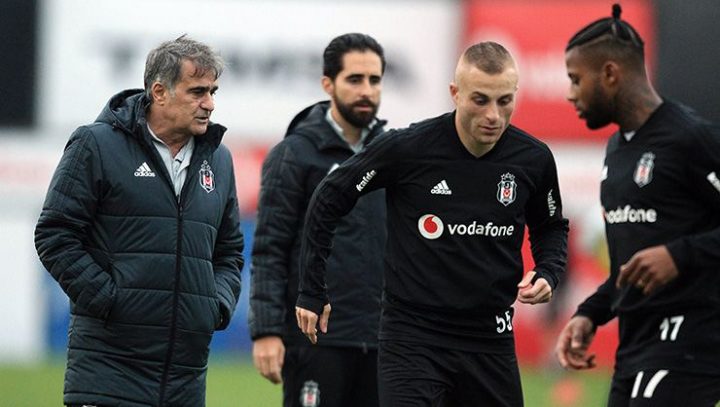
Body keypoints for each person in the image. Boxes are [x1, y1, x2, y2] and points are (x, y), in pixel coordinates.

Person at [296, 41, 569, 407]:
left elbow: (550, 226)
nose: (493, 115)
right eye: (480, 100)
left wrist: (548, 271)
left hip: (490, 341)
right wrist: (312, 289)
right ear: (455, 93)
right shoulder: (409, 148)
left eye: (505, 100)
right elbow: (329, 197)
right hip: (413, 339)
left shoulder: (533, 159)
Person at [34, 35, 244, 407]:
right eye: (197, 92)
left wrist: (216, 304)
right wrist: (109, 299)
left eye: (213, 91)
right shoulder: (96, 144)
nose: (210, 104)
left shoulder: (219, 160)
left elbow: (229, 251)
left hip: (184, 382)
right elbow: (55, 234)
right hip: (107, 374)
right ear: (159, 92)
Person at [555, 4, 720, 406]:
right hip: (635, 347)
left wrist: (678, 255)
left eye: (576, 79)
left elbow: (668, 257)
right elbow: (628, 268)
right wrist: (590, 313)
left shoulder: (690, 138)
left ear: (610, 74)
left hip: (690, 345)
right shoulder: (616, 151)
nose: (570, 93)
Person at [248, 33, 387, 407]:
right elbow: (269, 249)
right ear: (328, 83)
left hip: (383, 342)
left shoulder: (391, 155)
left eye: (374, 80)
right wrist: (266, 331)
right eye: (354, 79)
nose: (367, 90)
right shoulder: (294, 155)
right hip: (315, 340)